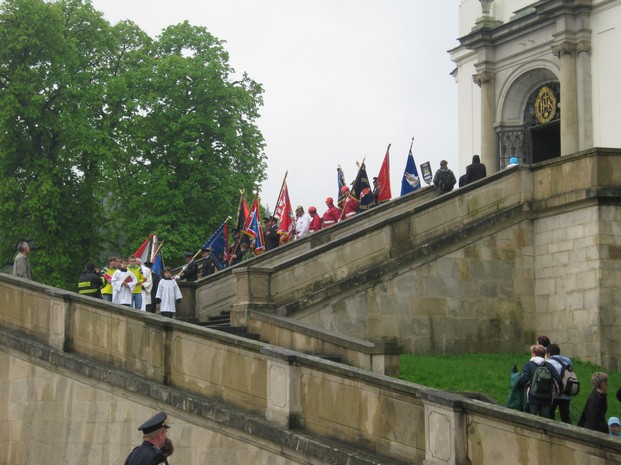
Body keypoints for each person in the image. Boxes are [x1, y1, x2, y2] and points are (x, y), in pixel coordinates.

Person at [516, 344, 563, 418]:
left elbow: (524, 379)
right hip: (547, 398)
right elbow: (558, 379)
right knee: (545, 421)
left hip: (533, 397)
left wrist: (518, 386)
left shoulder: (529, 365)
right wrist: (559, 392)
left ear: (534, 353)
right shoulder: (549, 365)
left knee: (531, 420)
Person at [545, 343, 573, 423]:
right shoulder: (567, 362)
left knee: (550, 416)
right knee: (565, 417)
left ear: (549, 354)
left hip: (554, 394)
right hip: (566, 393)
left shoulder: (549, 362)